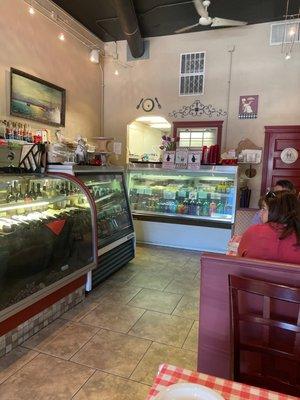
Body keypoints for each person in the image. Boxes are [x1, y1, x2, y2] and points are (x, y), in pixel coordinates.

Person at [238, 191, 300, 264]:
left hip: (254, 275)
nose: (260, 213)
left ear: (277, 211)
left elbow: (238, 260)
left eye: (264, 209)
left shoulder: (254, 231)